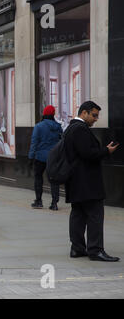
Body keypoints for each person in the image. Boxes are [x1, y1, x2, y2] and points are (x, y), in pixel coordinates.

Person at [64, 101, 120, 262]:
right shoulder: (80, 129)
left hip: (76, 181)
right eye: (94, 115)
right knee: (95, 214)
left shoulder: (71, 128)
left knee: (78, 214)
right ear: (84, 113)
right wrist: (106, 151)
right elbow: (87, 153)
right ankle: (95, 250)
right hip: (86, 181)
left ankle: (77, 248)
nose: (96, 119)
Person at [28, 105, 63, 210]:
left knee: (38, 178)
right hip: (53, 157)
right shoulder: (58, 127)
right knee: (53, 180)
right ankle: (54, 203)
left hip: (40, 157)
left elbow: (34, 143)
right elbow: (61, 142)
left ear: (44, 114)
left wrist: (31, 157)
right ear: (53, 114)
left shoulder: (39, 126)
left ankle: (38, 201)